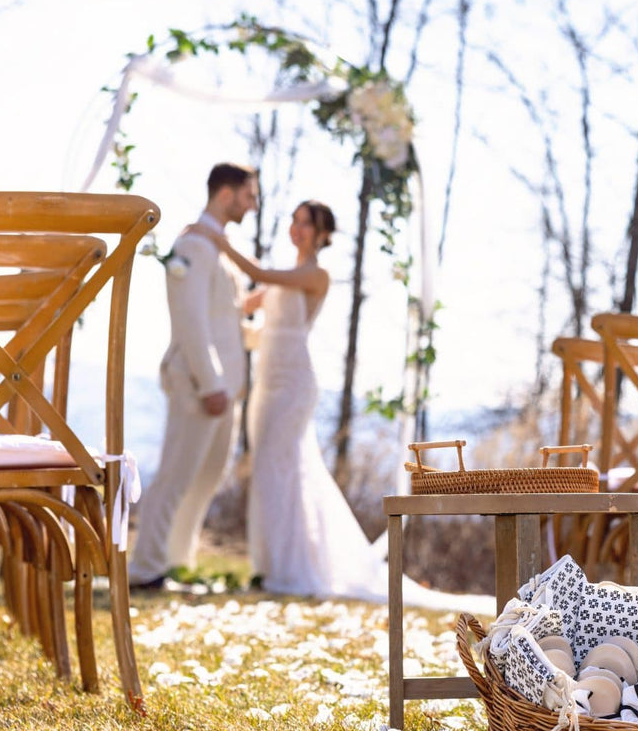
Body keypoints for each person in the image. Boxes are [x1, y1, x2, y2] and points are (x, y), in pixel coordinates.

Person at [189, 200, 491, 611]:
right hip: (266, 382)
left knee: (285, 469)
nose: (297, 229)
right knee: (268, 471)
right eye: (294, 221)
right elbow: (249, 311)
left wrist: (218, 239)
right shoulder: (282, 277)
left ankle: (293, 570)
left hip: (294, 382)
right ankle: (272, 563)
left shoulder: (315, 274)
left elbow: (258, 273)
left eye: (306, 224)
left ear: (322, 235)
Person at [128, 162, 257, 589]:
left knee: (205, 480)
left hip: (226, 389)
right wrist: (211, 383)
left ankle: (176, 563)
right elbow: (190, 320)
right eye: (248, 195)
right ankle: (145, 569)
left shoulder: (218, 249)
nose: (252, 204)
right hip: (199, 385)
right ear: (226, 194)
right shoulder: (193, 246)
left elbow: (222, 317)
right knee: (176, 474)